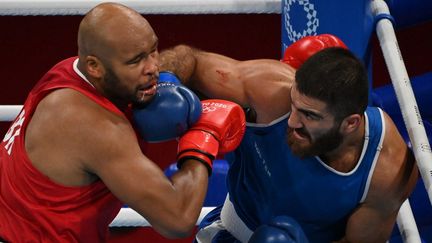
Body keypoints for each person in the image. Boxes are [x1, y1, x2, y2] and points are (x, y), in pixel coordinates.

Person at [0, 3, 246, 242]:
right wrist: (202, 136)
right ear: (94, 66)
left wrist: (171, 78)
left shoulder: (69, 71)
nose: (153, 67)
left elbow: (179, 55)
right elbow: (179, 219)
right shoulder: (91, 124)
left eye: (153, 51)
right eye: (135, 61)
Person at [159, 35, 419, 242]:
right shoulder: (269, 90)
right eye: (294, 105)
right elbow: (187, 57)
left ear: (350, 123)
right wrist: (165, 86)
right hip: (230, 232)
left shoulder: (387, 167)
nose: (293, 121)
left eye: (309, 115)